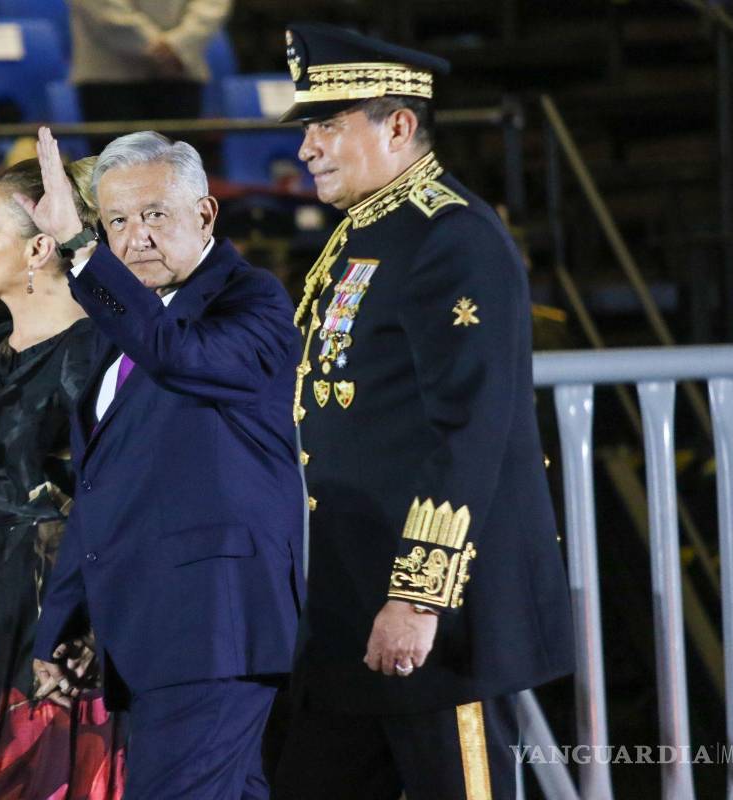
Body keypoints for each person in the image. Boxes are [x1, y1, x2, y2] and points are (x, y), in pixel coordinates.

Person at [270, 24, 575, 799]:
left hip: (432, 624)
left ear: (398, 126)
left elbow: (469, 432)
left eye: (327, 125)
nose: (308, 147)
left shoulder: (452, 236)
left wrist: (416, 595)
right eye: (308, 127)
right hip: (346, 610)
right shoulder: (364, 230)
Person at [19, 127, 302, 800]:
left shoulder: (251, 301)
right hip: (150, 635)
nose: (134, 237)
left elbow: (177, 353)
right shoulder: (118, 331)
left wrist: (82, 249)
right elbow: (100, 486)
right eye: (115, 220)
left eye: (154, 215)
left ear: (205, 214)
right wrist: (63, 624)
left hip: (216, 630)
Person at [0, 156, 125, 799]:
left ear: (40, 247)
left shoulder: (96, 350)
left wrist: (86, 627)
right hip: (9, 604)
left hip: (76, 611)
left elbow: (112, 498)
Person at [69, 0, 231, 124]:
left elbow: (212, 5)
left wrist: (177, 45)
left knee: (178, 164)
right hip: (110, 80)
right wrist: (165, 48)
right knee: (117, 165)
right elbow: (103, 9)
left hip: (180, 77)